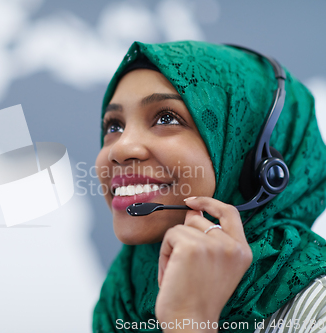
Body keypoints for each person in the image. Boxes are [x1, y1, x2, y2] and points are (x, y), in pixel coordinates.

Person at [93, 40, 326, 332]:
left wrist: (188, 317)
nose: (119, 148)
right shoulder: (121, 296)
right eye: (114, 126)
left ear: (255, 163)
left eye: (166, 117)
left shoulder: (317, 308)